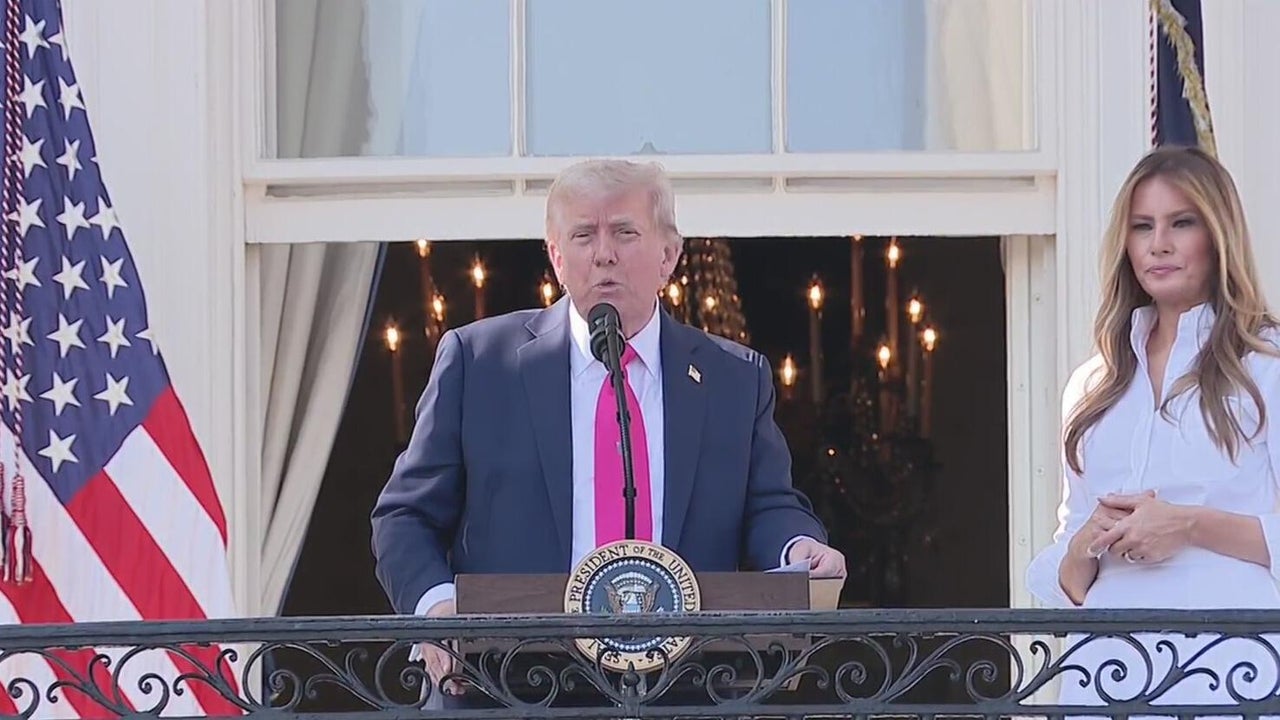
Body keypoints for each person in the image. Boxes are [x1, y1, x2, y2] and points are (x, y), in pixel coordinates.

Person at [371, 158, 845, 698]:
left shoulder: (734, 377)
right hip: (507, 686)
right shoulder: (480, 362)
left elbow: (768, 506)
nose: (604, 254)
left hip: (683, 687)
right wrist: (437, 607)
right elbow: (404, 516)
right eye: (583, 235)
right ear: (557, 257)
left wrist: (798, 548)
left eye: (624, 232)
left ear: (669, 255)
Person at [1026, 145, 1280, 717]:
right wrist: (1085, 545)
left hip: (1232, 673)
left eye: (1181, 223)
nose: (1158, 243)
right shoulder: (1093, 383)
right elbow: (1069, 575)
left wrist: (1189, 524)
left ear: (1218, 236)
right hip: (1106, 674)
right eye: (1142, 226)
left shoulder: (1266, 366)